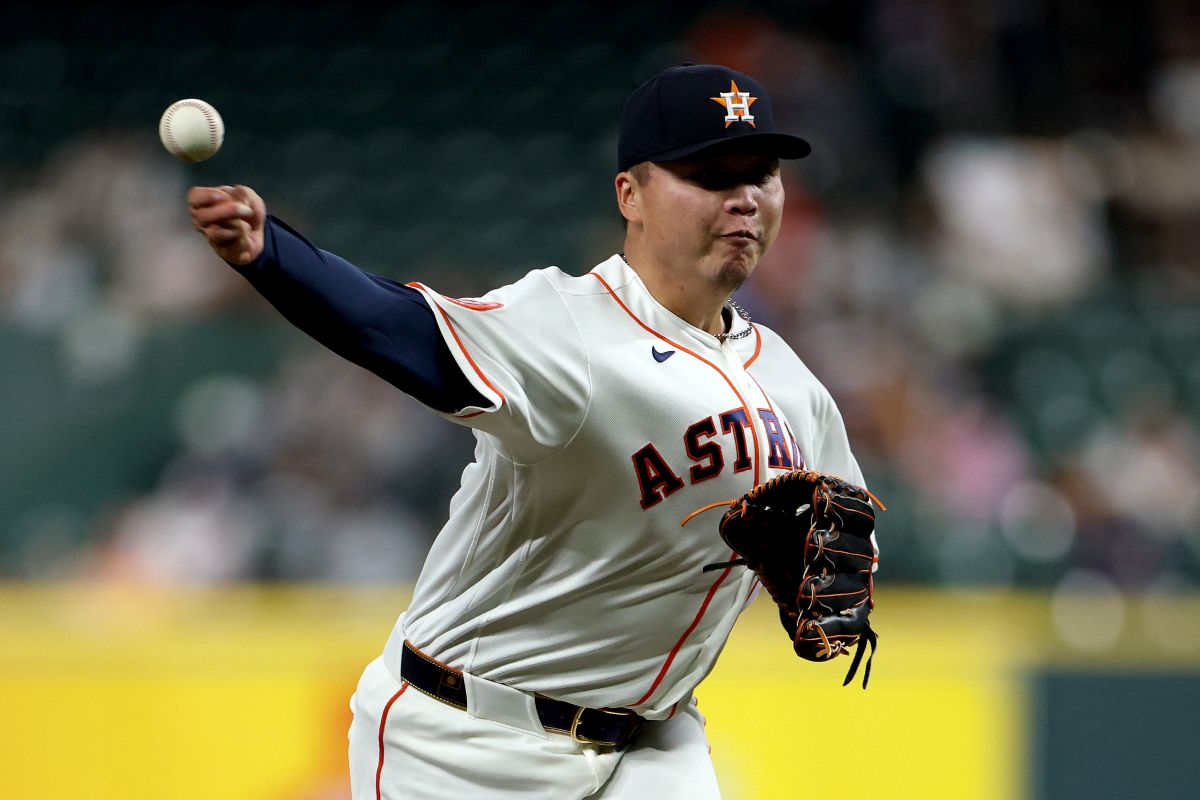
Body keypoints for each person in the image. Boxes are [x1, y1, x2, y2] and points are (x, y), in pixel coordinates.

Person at [188, 63, 869, 800]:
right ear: (630, 195)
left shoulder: (794, 386)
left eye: (761, 175)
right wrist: (273, 256)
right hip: (466, 738)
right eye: (710, 175)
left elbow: (842, 562)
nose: (744, 198)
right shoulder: (568, 329)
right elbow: (398, 327)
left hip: (652, 744)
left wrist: (819, 592)